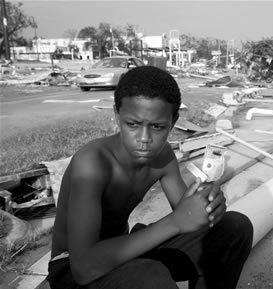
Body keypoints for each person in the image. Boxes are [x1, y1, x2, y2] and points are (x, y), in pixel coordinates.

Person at [47, 65, 253, 289]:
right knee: (148, 276)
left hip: (124, 252)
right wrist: (175, 222)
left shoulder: (162, 156)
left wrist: (208, 206)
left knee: (235, 228)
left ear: (173, 122)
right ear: (117, 115)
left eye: (157, 126)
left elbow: (188, 214)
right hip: (73, 267)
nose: (144, 138)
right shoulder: (92, 164)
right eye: (133, 124)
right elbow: (84, 269)